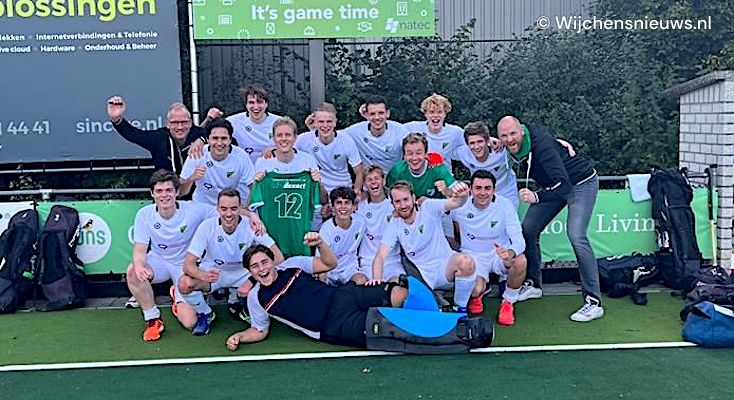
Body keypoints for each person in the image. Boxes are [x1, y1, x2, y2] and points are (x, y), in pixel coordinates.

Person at [497, 115, 603, 322]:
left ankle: (593, 301)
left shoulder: (543, 149)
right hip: (553, 187)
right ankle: (534, 284)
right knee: (528, 230)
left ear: (521, 131)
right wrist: (495, 141)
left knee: (577, 236)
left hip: (580, 183)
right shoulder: (519, 138)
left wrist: (536, 197)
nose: (509, 139)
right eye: (504, 136)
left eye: (513, 134)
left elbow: (563, 185)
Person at [225, 233, 408, 350]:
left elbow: (330, 264)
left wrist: (320, 244)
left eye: (264, 262)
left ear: (273, 261)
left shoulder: (292, 265)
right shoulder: (256, 298)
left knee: (400, 294)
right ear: (250, 271)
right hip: (333, 325)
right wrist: (239, 336)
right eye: (255, 266)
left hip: (344, 296)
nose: (261, 269)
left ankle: (425, 310)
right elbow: (259, 330)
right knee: (393, 328)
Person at [178, 188, 284, 335]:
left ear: (240, 208)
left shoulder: (251, 225)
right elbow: (188, 265)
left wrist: (252, 280)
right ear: (217, 209)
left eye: (234, 208)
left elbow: (278, 258)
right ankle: (206, 313)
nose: (228, 214)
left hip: (244, 273)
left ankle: (242, 306)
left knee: (273, 276)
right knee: (184, 284)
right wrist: (202, 275)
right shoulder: (207, 226)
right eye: (224, 209)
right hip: (215, 272)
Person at [126, 169, 215, 341]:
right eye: (159, 191)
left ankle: (179, 295)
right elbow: (139, 250)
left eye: (169, 190)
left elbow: (225, 212)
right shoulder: (144, 214)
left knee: (190, 323)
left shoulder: (194, 209)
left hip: (184, 266)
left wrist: (251, 216)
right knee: (133, 271)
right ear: (152, 194)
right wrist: (139, 266)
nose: (164, 195)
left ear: (177, 192)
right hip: (159, 261)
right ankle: (153, 320)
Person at [370, 180, 477, 312]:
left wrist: (463, 195)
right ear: (392, 204)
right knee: (395, 285)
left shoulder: (428, 207)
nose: (403, 205)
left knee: (466, 263)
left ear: (413, 198)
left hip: (445, 269)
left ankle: (459, 308)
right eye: (397, 201)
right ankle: (434, 298)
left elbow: (456, 202)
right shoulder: (394, 223)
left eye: (406, 199)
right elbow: (380, 256)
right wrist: (377, 280)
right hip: (422, 277)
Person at [450, 170, 527, 324]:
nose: (483, 193)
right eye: (478, 188)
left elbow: (519, 240)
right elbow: (444, 222)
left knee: (520, 261)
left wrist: (510, 252)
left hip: (499, 255)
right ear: (471, 190)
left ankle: (508, 302)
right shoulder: (459, 206)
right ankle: (481, 291)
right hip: (473, 257)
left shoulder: (505, 205)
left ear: (494, 190)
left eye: (487, 188)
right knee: (475, 290)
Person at [250, 117, 323, 257]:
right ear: (273, 138)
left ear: (295, 137)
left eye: (288, 135)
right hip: (273, 237)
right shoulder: (263, 162)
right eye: (279, 135)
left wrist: (318, 182)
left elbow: (319, 201)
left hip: (299, 236)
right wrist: (256, 183)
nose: (284, 139)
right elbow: (251, 205)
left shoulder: (307, 161)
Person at [106, 96, 213, 175]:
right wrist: (116, 119)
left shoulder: (198, 134)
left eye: (183, 122)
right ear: (168, 124)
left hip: (196, 193)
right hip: (167, 193)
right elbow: (134, 135)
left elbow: (212, 133)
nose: (180, 127)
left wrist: (202, 139)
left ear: (190, 123)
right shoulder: (158, 138)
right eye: (175, 122)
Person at [179, 118, 256, 205]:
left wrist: (246, 208)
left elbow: (254, 187)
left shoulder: (241, 156)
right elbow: (181, 192)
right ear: (207, 140)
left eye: (224, 138)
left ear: (230, 140)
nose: (219, 143)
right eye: (215, 138)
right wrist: (192, 178)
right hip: (202, 205)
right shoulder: (197, 154)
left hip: (229, 207)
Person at [296, 102, 364, 198]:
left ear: (335, 122)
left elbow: (359, 171)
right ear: (314, 122)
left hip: (342, 191)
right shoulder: (303, 140)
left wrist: (356, 192)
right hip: (316, 191)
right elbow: (285, 149)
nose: (325, 125)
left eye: (329, 121)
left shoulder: (346, 140)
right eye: (321, 122)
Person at [353, 166, 405, 283]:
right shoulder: (359, 207)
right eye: (369, 179)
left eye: (377, 178)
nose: (373, 182)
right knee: (367, 285)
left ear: (383, 180)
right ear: (364, 185)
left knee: (397, 284)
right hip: (368, 261)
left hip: (392, 260)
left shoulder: (395, 204)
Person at [453, 121, 519, 209]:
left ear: (487, 141)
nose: (476, 147)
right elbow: (444, 150)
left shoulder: (503, 150)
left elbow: (521, 143)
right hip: (481, 195)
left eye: (480, 141)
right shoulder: (463, 153)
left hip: (507, 194)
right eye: (472, 143)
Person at [341, 95, 409, 172]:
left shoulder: (400, 131)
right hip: (369, 177)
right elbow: (336, 136)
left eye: (381, 113)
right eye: (372, 114)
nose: (377, 117)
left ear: (387, 113)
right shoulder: (355, 131)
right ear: (366, 115)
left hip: (395, 177)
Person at [403, 94, 465, 171]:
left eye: (439, 112)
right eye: (431, 112)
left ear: (445, 114)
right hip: (418, 175)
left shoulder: (456, 132)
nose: (435, 115)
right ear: (425, 114)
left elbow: (470, 152)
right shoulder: (412, 128)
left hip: (444, 176)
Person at [317, 187, 365, 285]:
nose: (343, 206)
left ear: (353, 206)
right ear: (332, 207)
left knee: (361, 280)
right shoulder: (326, 229)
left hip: (349, 269)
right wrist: (322, 283)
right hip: (329, 270)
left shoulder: (361, 222)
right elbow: (320, 260)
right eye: (339, 203)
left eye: (347, 203)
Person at [227, 85, 282, 163]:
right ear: (246, 105)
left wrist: (275, 149)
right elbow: (213, 134)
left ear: (266, 104)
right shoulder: (233, 121)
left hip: (272, 167)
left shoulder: (279, 122)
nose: (256, 107)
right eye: (251, 103)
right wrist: (210, 119)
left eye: (259, 102)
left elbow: (292, 145)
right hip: (244, 168)